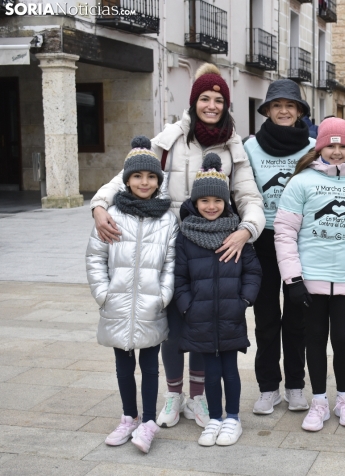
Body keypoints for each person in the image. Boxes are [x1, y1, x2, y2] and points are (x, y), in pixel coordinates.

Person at [90, 63, 264, 429]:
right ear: (193, 101)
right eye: (205, 98)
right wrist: (99, 205)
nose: (212, 105)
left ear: (226, 104)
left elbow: (249, 196)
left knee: (199, 325)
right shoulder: (169, 138)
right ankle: (173, 395)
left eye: (219, 99)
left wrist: (247, 230)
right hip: (168, 241)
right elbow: (129, 173)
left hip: (211, 247)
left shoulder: (235, 146)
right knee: (170, 324)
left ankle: (198, 397)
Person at [274, 118, 345, 431]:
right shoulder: (301, 181)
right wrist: (292, 279)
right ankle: (318, 400)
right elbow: (284, 231)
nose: (336, 151)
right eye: (330, 145)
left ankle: (344, 398)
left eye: (342, 145)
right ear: (319, 146)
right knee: (315, 339)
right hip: (310, 278)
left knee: (343, 339)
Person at [86, 136, 179, 454]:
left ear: (159, 180)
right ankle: (129, 416)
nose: (144, 182)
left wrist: (163, 295)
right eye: (138, 176)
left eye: (151, 176)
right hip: (117, 303)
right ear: (126, 179)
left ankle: (150, 421)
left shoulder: (167, 219)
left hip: (152, 304)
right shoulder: (112, 214)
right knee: (123, 363)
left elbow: (171, 263)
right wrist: (103, 294)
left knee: (151, 365)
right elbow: (95, 258)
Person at [174, 155, 262, 447]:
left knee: (229, 371)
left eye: (217, 200)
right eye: (204, 201)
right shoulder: (186, 236)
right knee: (209, 373)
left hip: (230, 315)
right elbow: (179, 276)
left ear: (227, 202)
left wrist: (244, 301)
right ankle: (214, 418)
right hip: (198, 317)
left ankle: (233, 418)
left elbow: (252, 271)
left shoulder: (237, 234)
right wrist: (186, 304)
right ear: (195, 203)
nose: (211, 206)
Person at [244, 79, 316, 414]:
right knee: (266, 317)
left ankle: (296, 386)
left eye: (290, 105)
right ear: (267, 111)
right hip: (262, 242)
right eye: (277, 105)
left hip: (301, 243)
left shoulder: (314, 148)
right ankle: (268, 387)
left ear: (300, 111)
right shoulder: (250, 148)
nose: (284, 111)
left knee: (298, 318)